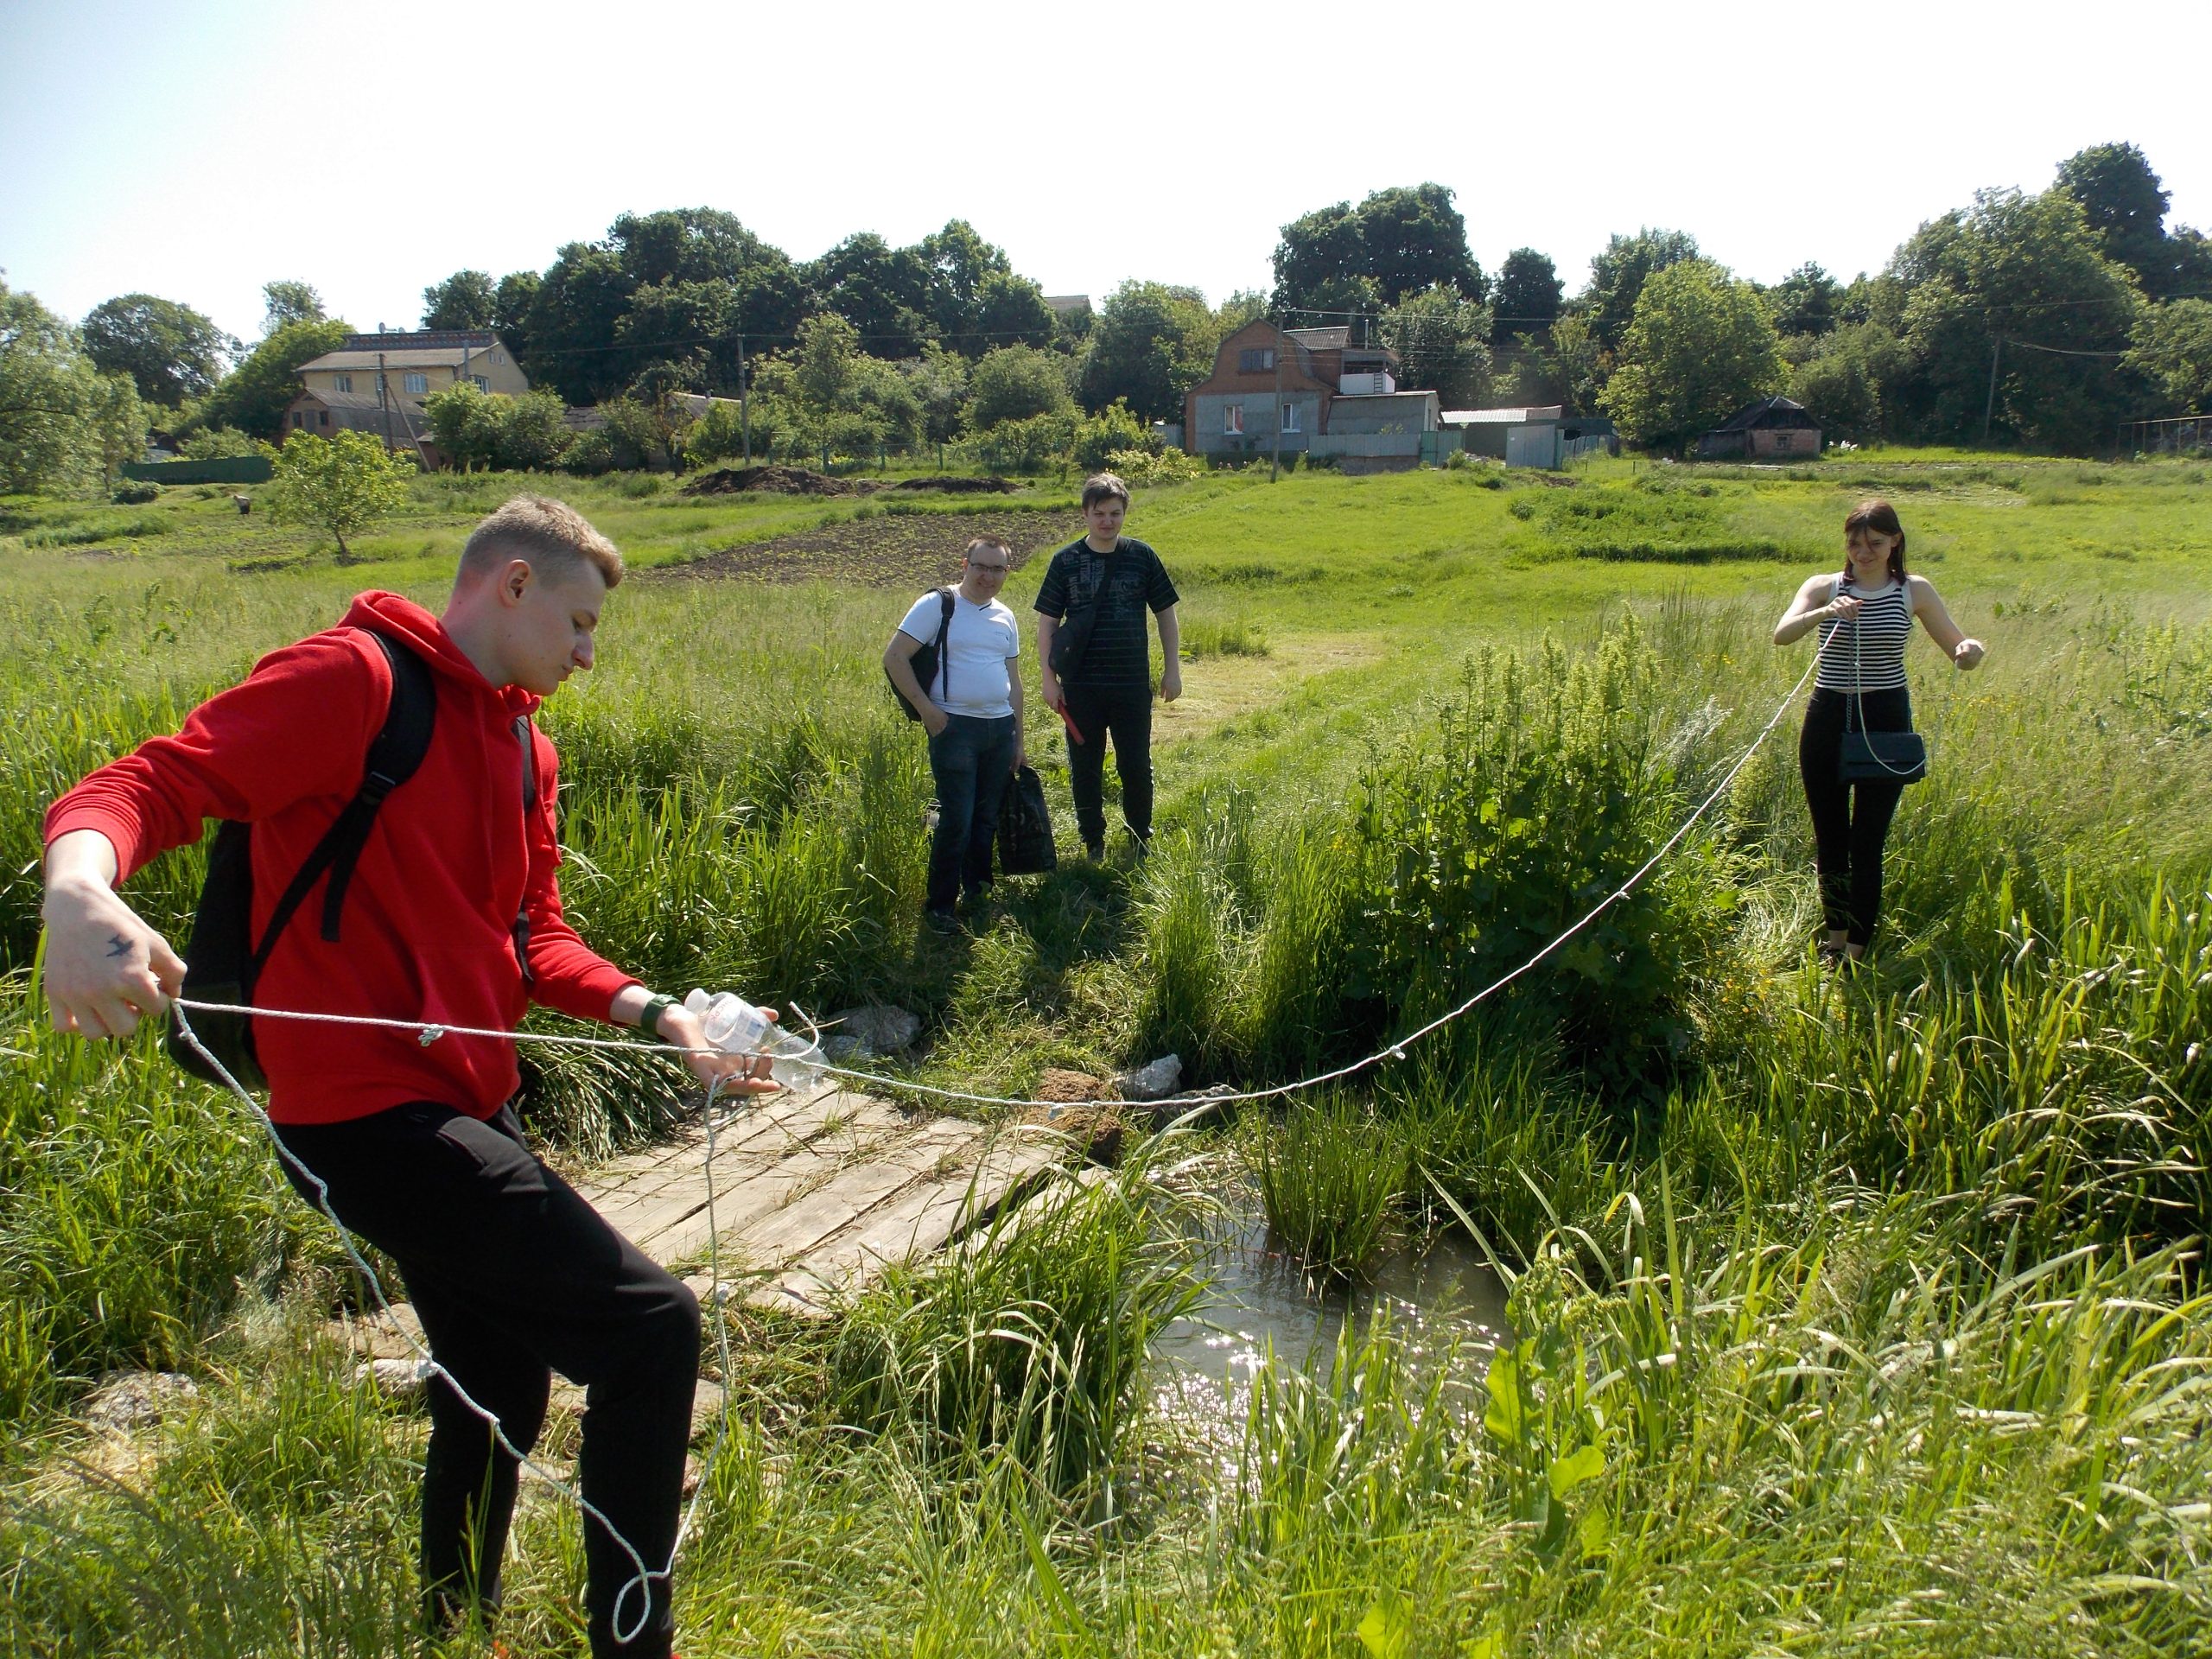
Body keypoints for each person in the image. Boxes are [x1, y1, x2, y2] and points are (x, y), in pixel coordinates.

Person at [39, 494, 773, 1659]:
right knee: (651, 1330)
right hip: (362, 1117)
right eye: (580, 624)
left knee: (499, 1382)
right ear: (513, 587)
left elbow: (534, 940)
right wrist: (79, 889)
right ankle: (637, 1645)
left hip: (475, 1105)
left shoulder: (530, 747)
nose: (590, 655)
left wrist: (656, 1012)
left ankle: (448, 1627)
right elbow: (138, 789)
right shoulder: (355, 682)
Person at [1773, 497, 1986, 962]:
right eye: (1854, 543)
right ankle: (1833, 940)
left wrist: (1970, 649)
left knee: (1868, 840)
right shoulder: (1823, 586)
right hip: (1828, 715)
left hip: (1886, 718)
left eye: (1874, 543)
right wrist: (1825, 613)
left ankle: (1856, 949)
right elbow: (1782, 633)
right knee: (1830, 836)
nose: (1863, 552)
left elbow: (1957, 647)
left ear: (1895, 542)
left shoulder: (1915, 590)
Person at [1033, 473, 1181, 860]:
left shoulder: (1142, 556)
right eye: (1099, 513)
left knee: (1136, 765)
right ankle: (1092, 843)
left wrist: (1173, 670)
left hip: (1132, 684)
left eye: (1115, 514)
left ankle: (1139, 839)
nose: (1107, 522)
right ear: (1085, 513)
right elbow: (1047, 623)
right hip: (1080, 686)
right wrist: (1049, 681)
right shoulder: (1065, 561)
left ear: (1124, 514)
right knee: (1085, 768)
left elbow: (1166, 613)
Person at [883, 535, 1027, 931]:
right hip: (954, 728)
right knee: (957, 820)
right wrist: (928, 711)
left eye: (997, 568)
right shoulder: (938, 605)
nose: (988, 576)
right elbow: (894, 657)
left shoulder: (1006, 616)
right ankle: (939, 908)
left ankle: (978, 892)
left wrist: (1019, 738)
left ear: (1006, 572)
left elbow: (1014, 682)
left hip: (999, 730)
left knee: (985, 818)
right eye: (980, 566)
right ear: (965, 565)